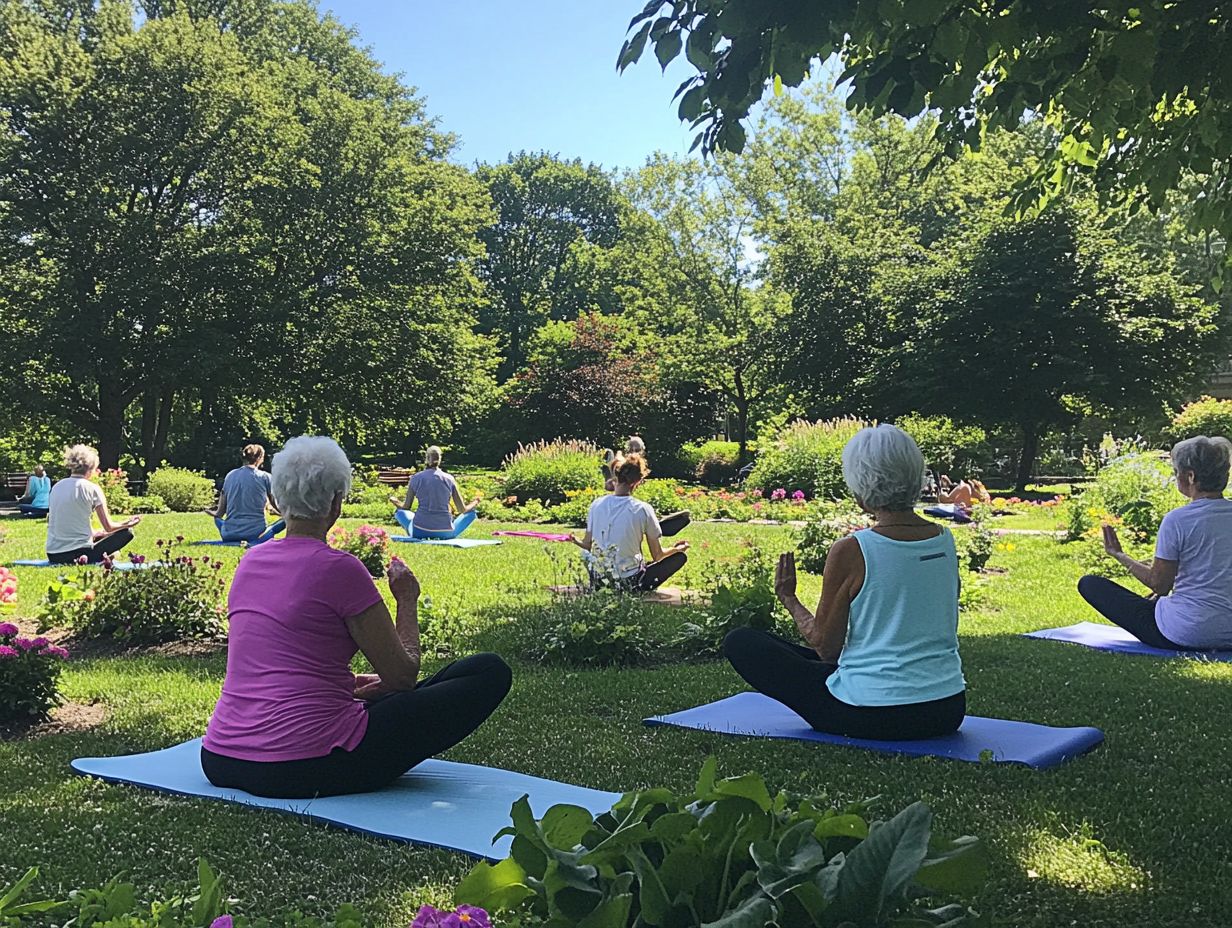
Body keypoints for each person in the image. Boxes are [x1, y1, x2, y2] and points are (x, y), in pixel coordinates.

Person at [201, 435, 511, 799]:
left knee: (412, 687)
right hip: (301, 765)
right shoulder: (339, 569)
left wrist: (349, 686)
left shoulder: (250, 562)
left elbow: (274, 663)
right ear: (336, 502)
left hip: (221, 757)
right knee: (488, 670)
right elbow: (403, 676)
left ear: (280, 498)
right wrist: (407, 599)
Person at [724, 424, 966, 740]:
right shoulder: (943, 539)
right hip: (946, 708)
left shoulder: (852, 549)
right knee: (810, 659)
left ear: (862, 488)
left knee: (741, 642)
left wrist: (789, 599)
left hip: (873, 713)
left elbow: (826, 649)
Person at [1078, 436, 1232, 650]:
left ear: (1190, 476)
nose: (1176, 477)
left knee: (1090, 584)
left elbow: (1160, 584)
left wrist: (1119, 555)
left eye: (1176, 472)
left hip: (1185, 633)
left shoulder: (1178, 520)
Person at [571, 453, 689, 591]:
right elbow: (658, 556)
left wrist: (574, 539)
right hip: (629, 581)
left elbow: (587, 544)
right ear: (637, 482)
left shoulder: (596, 504)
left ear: (616, 477)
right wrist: (677, 549)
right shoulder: (643, 508)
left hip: (599, 579)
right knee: (678, 558)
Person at [45, 445, 140, 564]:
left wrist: (97, 533)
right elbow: (109, 526)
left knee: (101, 535)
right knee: (127, 533)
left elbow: (69, 521)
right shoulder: (92, 489)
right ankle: (109, 557)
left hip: (54, 554)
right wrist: (127, 523)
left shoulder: (57, 487)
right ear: (91, 468)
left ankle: (109, 556)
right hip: (81, 553)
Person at [600, 437, 690, 537]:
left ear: (642, 451)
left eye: (637, 450)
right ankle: (658, 524)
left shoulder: (638, 468)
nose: (634, 452)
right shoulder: (621, 467)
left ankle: (658, 522)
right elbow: (609, 484)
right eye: (631, 449)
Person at [388, 446, 479, 539]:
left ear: (426, 458)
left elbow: (406, 507)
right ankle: (447, 531)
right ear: (440, 459)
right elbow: (462, 510)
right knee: (471, 513)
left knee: (400, 512)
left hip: (419, 531)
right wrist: (475, 502)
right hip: (445, 533)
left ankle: (410, 533)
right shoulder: (449, 479)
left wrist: (395, 501)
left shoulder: (416, 478)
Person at [203, 444, 284, 543]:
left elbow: (220, 513)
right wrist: (285, 514)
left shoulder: (230, 475)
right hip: (256, 534)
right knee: (277, 526)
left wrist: (213, 514)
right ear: (260, 458)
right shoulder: (265, 477)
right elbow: (274, 502)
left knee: (218, 519)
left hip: (229, 534)